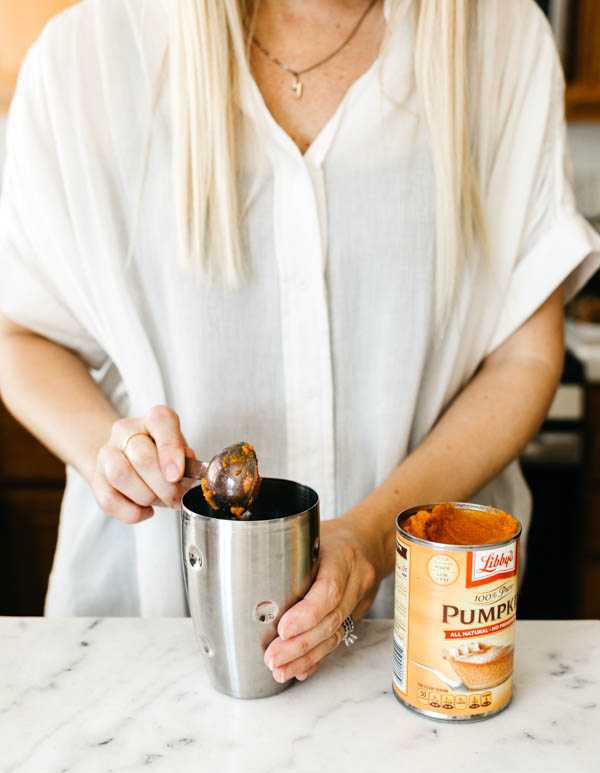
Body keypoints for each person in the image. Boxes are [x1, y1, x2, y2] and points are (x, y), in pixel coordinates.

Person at [0, 0, 598, 684]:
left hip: (413, 643)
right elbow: (19, 334)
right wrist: (107, 449)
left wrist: (374, 535)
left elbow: (523, 355)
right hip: (147, 647)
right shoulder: (88, 60)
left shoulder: (503, 38)